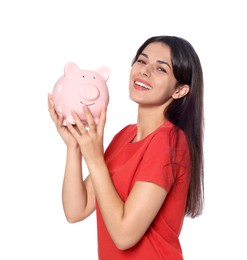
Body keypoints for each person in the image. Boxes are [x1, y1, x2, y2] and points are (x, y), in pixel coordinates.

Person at [48, 35, 204, 260]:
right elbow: (76, 210)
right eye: (142, 61)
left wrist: (94, 158)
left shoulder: (170, 141)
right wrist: (74, 147)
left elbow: (124, 235)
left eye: (161, 69)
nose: (145, 71)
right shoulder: (125, 135)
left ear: (179, 90)